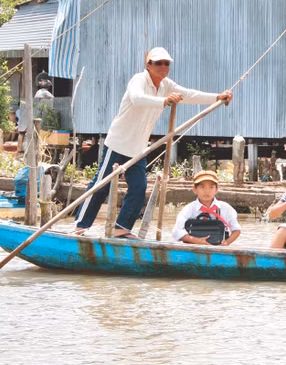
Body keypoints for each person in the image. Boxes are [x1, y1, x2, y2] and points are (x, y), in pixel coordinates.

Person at [74, 47, 232, 238]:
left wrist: (217, 97)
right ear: (148, 65)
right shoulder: (139, 79)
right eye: (158, 63)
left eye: (166, 63)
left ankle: (121, 229)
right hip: (118, 143)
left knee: (139, 188)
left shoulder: (166, 84)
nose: (163, 67)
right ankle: (80, 226)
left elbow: (189, 94)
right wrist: (164, 101)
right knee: (101, 185)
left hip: (139, 147)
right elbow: (137, 98)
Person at [172, 171, 241, 246]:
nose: (207, 191)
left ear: (216, 189)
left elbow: (236, 230)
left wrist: (226, 243)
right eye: (202, 187)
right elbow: (176, 231)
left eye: (211, 187)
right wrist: (196, 241)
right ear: (195, 189)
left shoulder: (225, 208)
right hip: (194, 249)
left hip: (219, 249)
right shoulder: (188, 209)